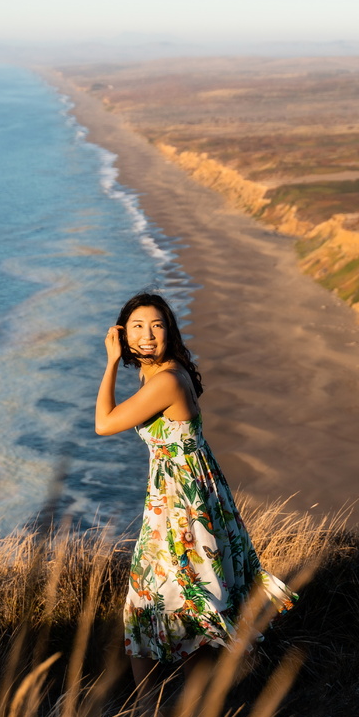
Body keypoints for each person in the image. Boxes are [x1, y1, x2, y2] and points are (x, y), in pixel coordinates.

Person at [95, 291, 297, 693]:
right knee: (172, 600)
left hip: (184, 506)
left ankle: (166, 711)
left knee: (173, 602)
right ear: (124, 331)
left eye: (156, 325)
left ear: (169, 330)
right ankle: (165, 710)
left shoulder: (166, 380)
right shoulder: (159, 371)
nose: (148, 334)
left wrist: (111, 362)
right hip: (184, 496)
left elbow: (104, 423)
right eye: (137, 326)